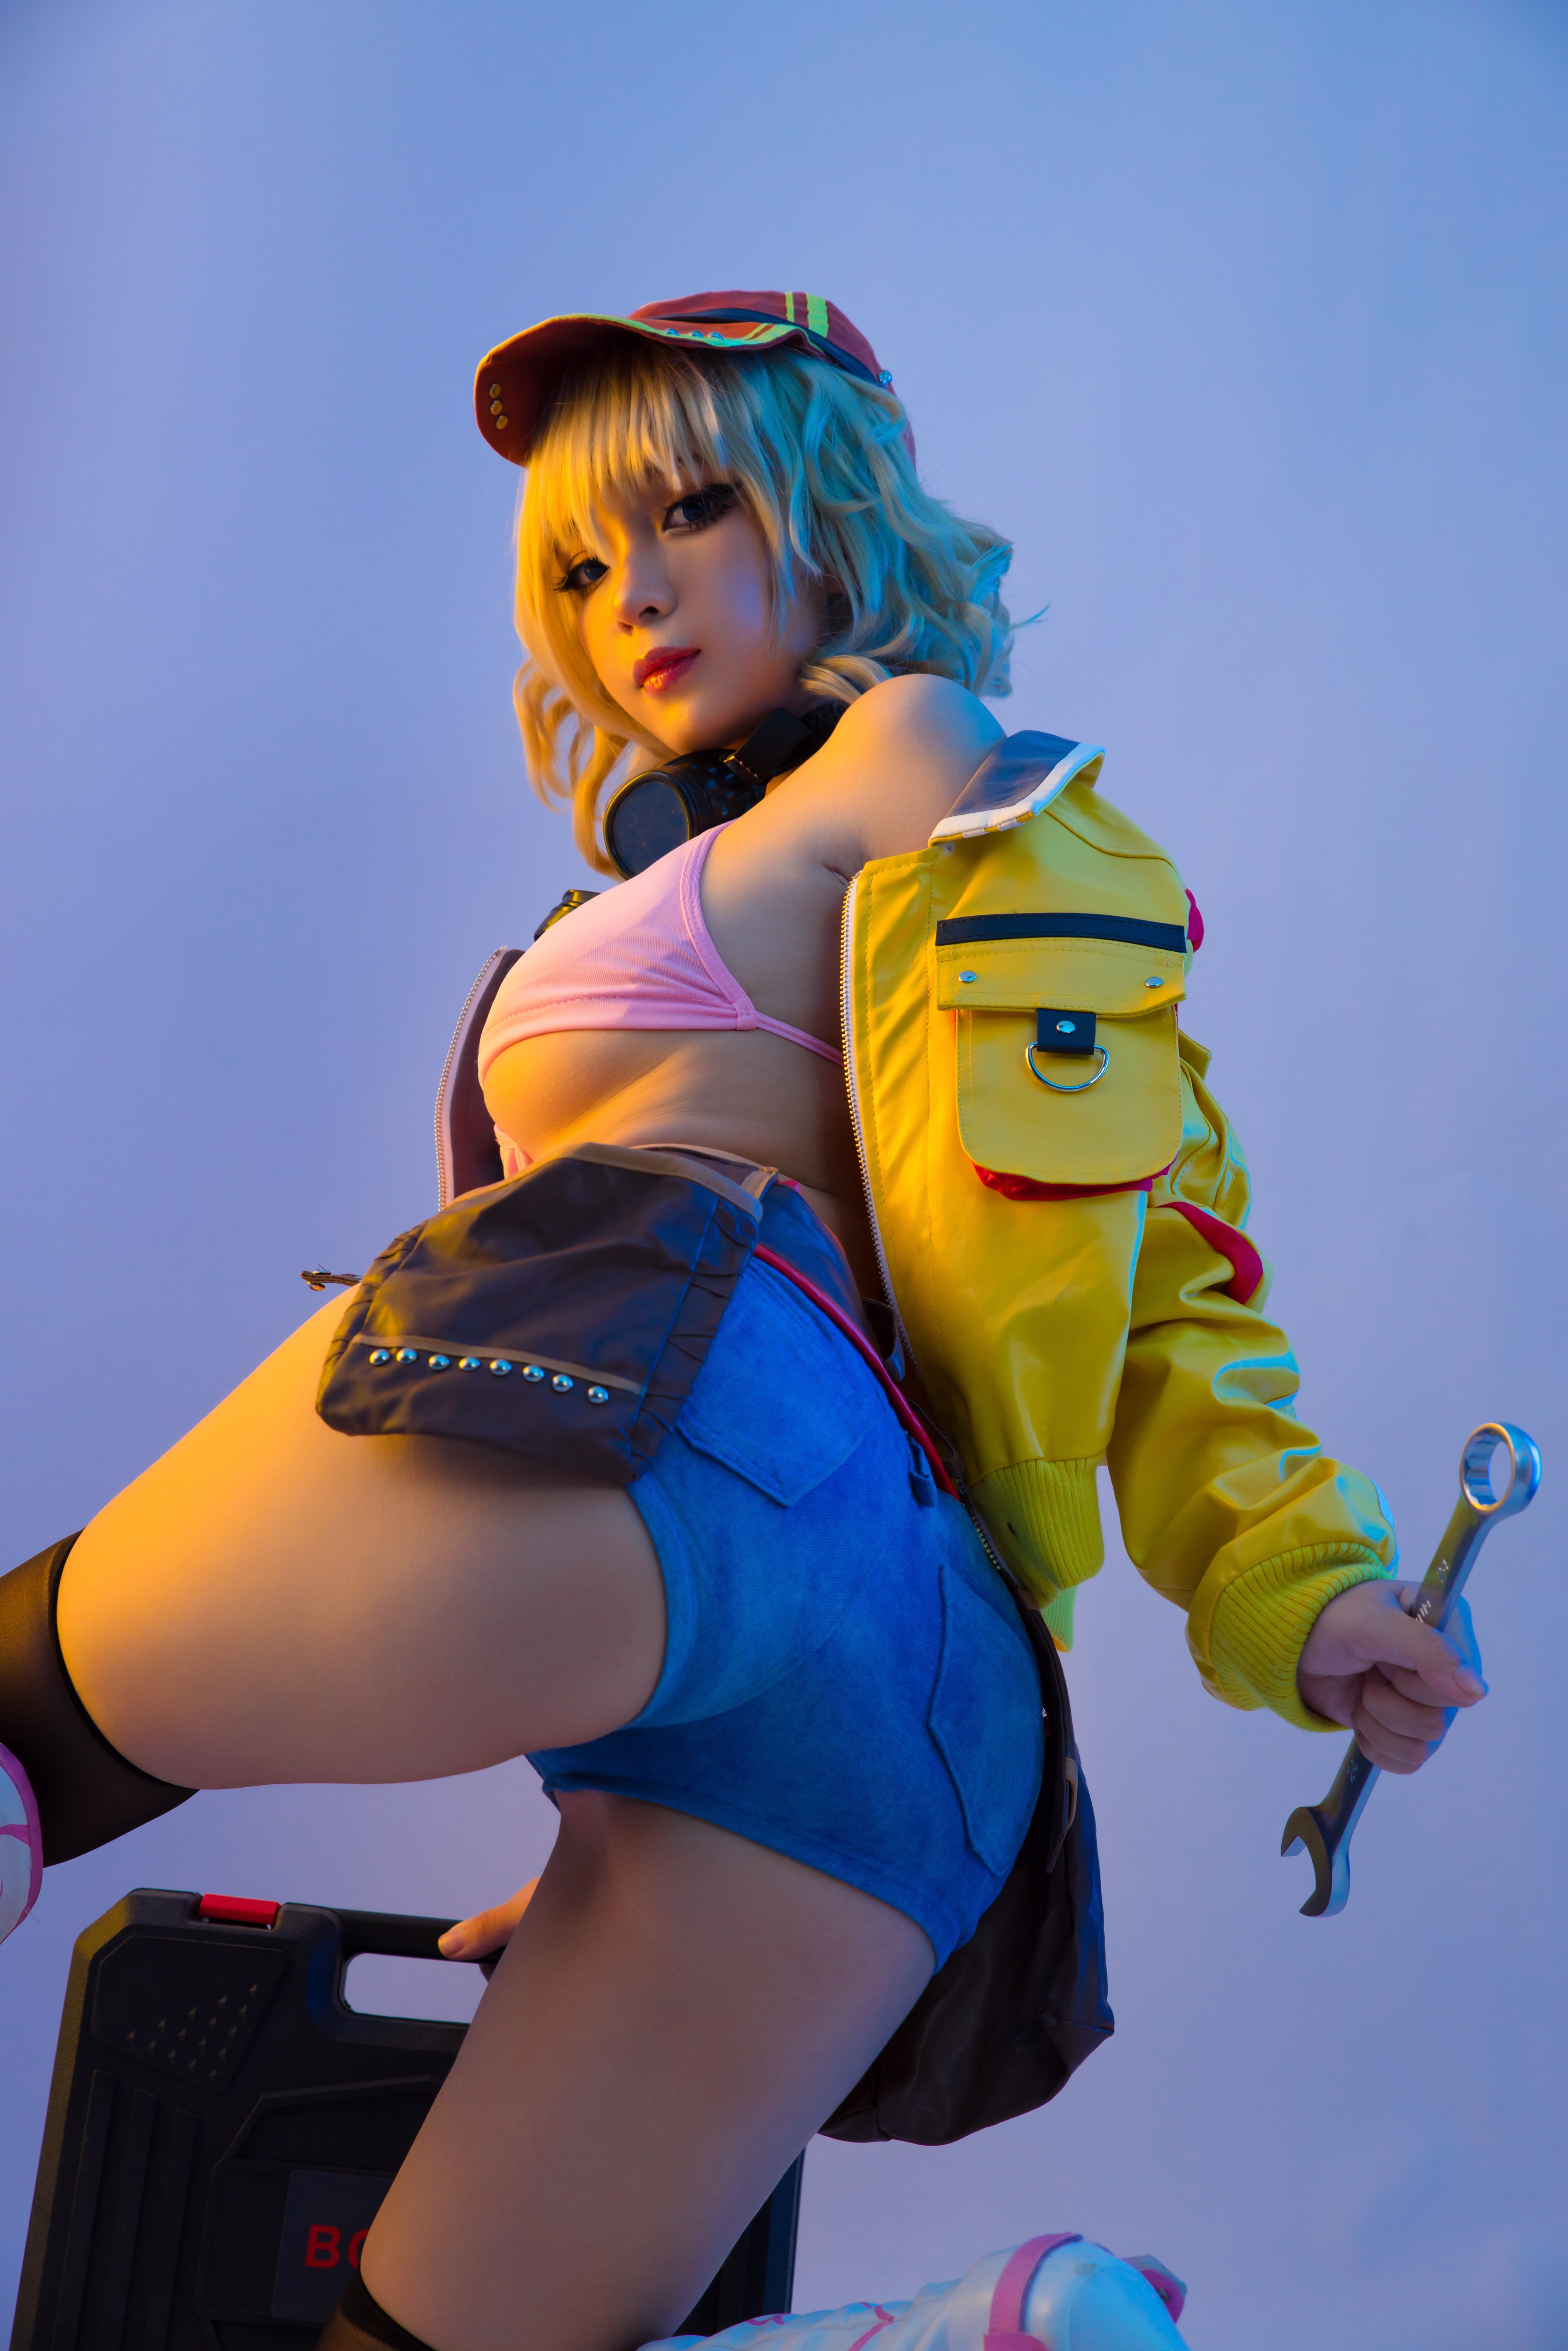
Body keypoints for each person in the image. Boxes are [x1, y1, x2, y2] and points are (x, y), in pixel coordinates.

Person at [0, 290, 1486, 2351]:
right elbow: (1151, 1238)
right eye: (580, 566)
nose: (633, 595)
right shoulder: (769, 848)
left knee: (25, 1707)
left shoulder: (911, 756)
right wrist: (1296, 1582)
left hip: (686, 1411)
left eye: (692, 508)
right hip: (915, 1705)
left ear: (834, 510)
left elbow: (1135, 1225)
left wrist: (1299, 1581)